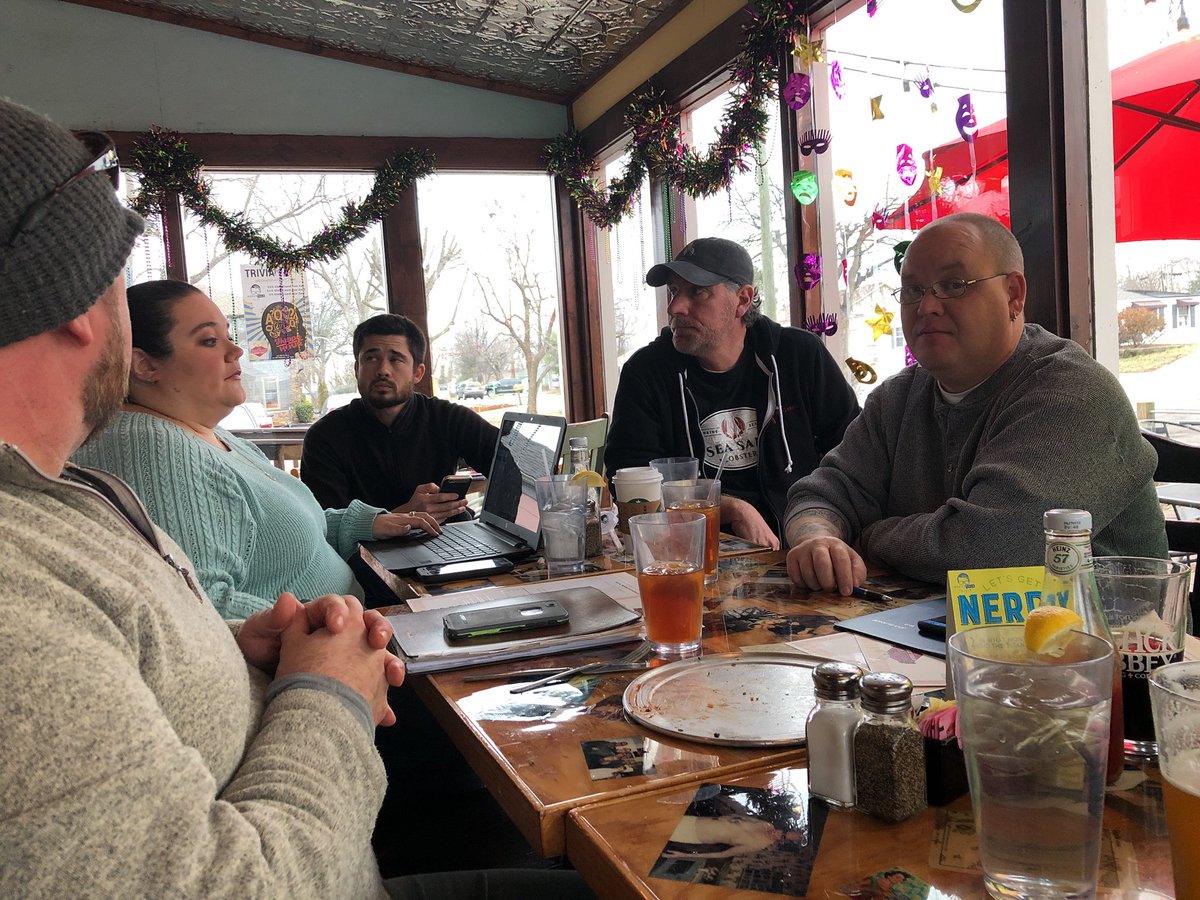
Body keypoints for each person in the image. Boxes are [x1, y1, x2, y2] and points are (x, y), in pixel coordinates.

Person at [0, 98, 591, 900]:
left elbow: (174, 619)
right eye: (115, 276)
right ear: (81, 313)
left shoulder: (61, 491)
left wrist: (244, 638)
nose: (233, 350)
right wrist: (324, 684)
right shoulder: (30, 583)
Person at [783, 212, 1168, 594]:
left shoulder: (1071, 394)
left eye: (954, 284)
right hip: (939, 639)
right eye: (914, 290)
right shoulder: (896, 399)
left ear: (1013, 294)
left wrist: (870, 534)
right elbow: (821, 494)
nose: (927, 306)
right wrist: (816, 539)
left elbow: (986, 553)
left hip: (1104, 644)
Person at [73, 280, 441, 619]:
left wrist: (368, 522)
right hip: (325, 656)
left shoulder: (210, 435)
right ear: (145, 364)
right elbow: (204, 605)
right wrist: (327, 625)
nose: (236, 351)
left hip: (361, 620)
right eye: (209, 341)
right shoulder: (154, 450)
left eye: (228, 337)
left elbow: (283, 532)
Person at [605, 237, 860, 549]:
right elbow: (631, 481)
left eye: (698, 292)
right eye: (673, 291)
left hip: (803, 544)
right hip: (691, 555)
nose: (675, 307)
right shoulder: (647, 372)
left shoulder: (799, 356)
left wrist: (814, 528)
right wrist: (730, 508)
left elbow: (852, 458)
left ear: (743, 299)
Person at [301, 313, 498, 522]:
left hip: (450, 541)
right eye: (371, 358)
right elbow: (326, 527)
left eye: (396, 359)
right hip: (367, 551)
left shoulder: (447, 418)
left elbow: (515, 467)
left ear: (418, 373)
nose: (383, 370)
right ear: (356, 369)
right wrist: (405, 516)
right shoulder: (326, 437)